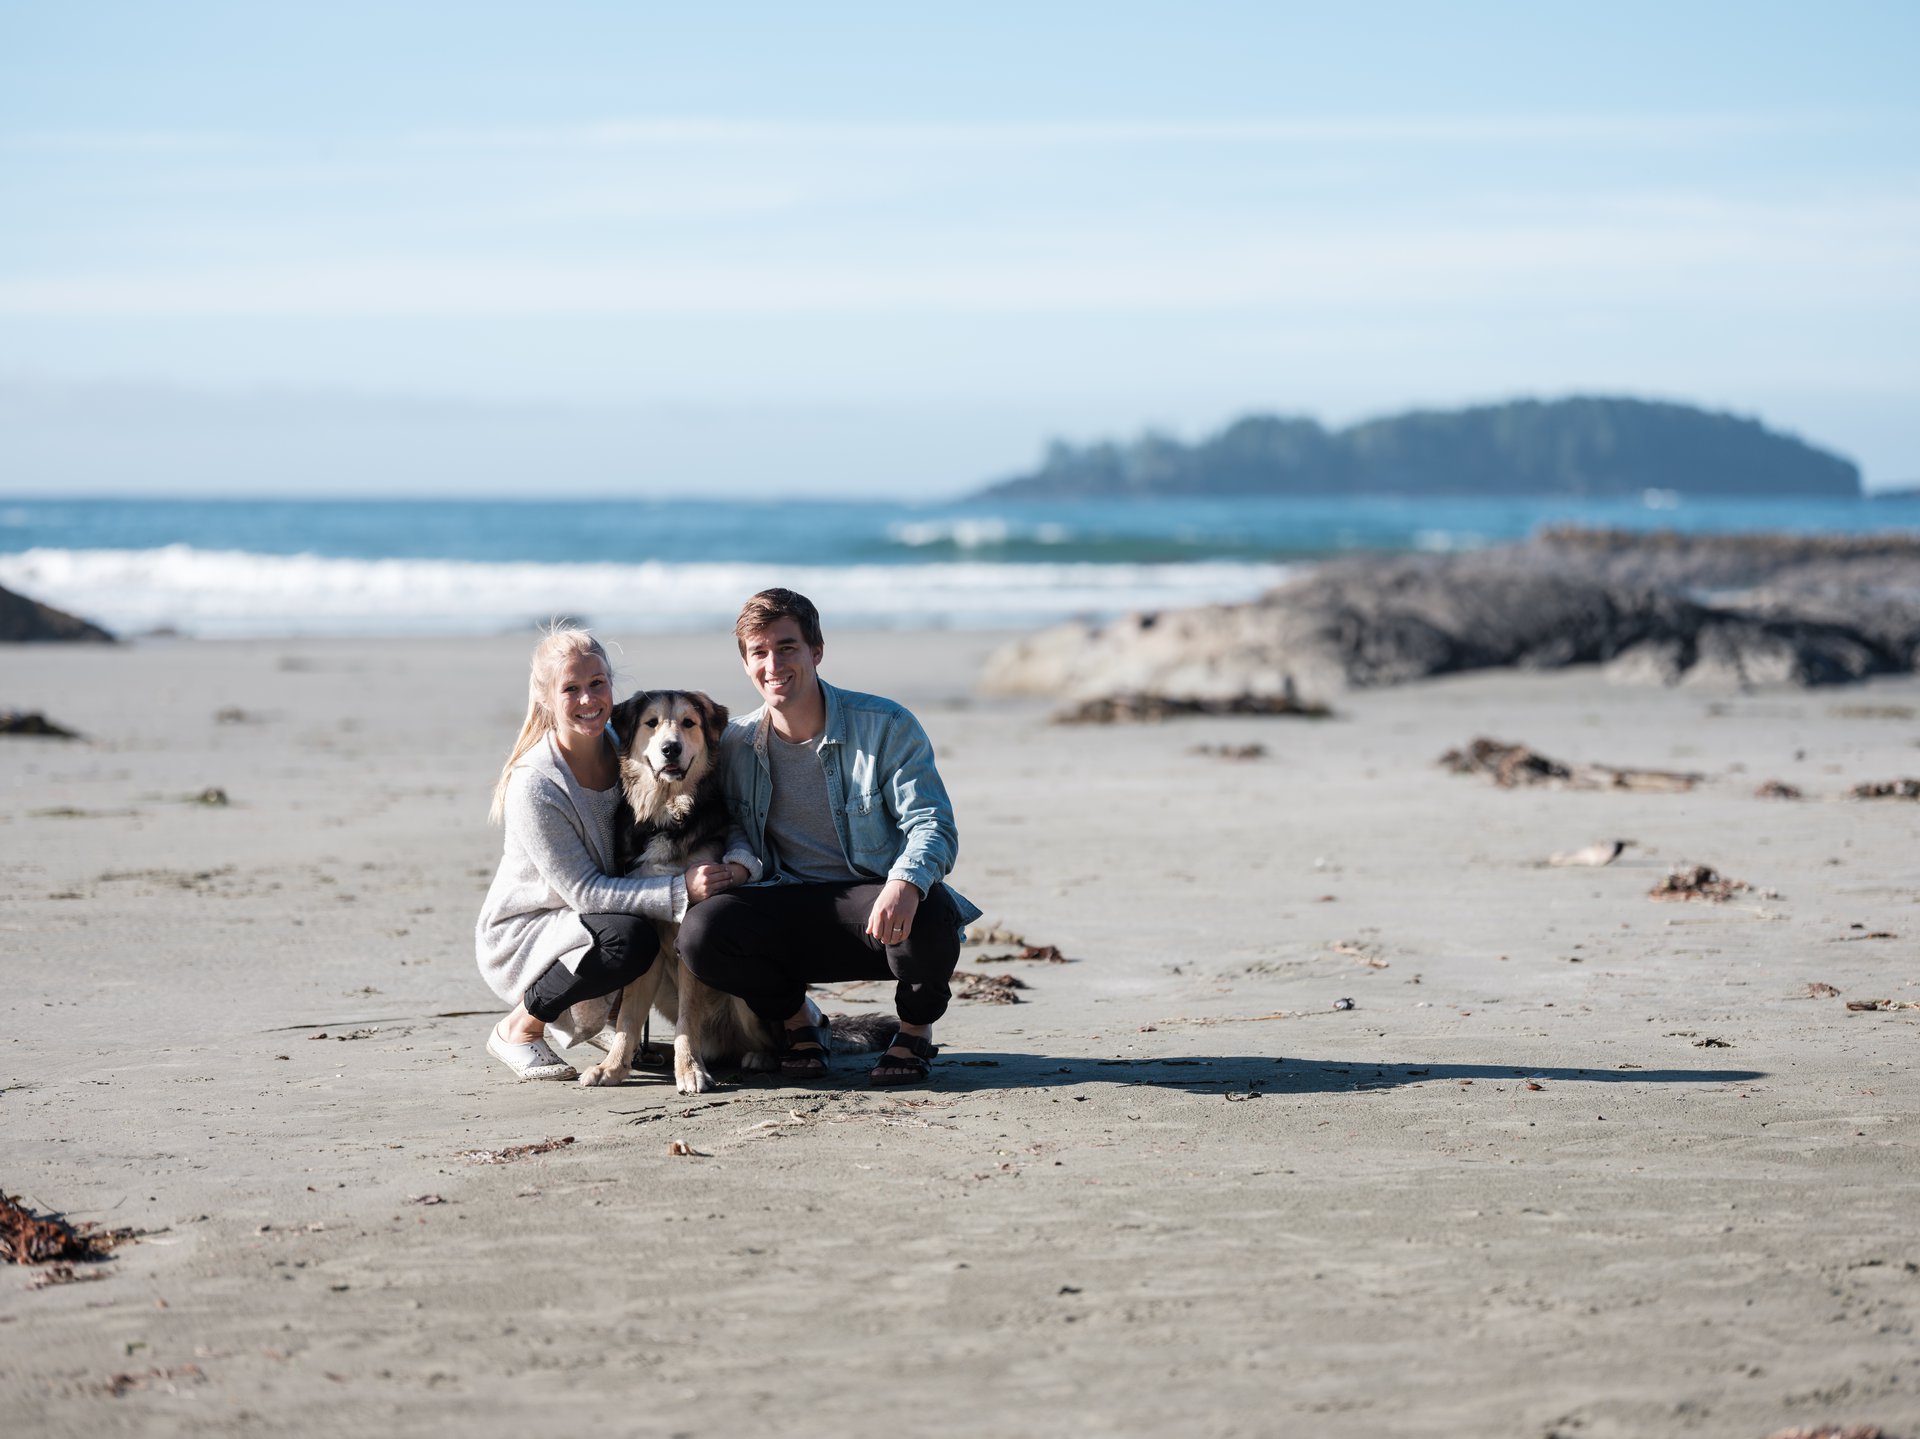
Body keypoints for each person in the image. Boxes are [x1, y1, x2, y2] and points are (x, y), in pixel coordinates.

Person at [678, 589, 982, 1085]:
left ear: (817, 651)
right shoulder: (733, 745)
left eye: (787, 647)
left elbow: (932, 823)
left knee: (931, 908)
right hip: (786, 909)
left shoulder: (884, 725)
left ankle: (914, 1031)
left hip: (875, 910)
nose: (773, 664)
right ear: (746, 663)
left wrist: (905, 882)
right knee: (704, 933)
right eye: (759, 652)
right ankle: (799, 1021)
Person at [474, 626, 755, 1081]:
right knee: (631, 938)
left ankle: (621, 1029)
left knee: (638, 932)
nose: (588, 699)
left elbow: (724, 817)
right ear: (547, 698)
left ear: (610, 685)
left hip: (603, 913)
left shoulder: (628, 746)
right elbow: (586, 892)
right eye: (571, 689)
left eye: (597, 684)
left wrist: (740, 862)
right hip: (535, 926)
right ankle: (520, 1029)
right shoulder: (537, 784)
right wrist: (680, 889)